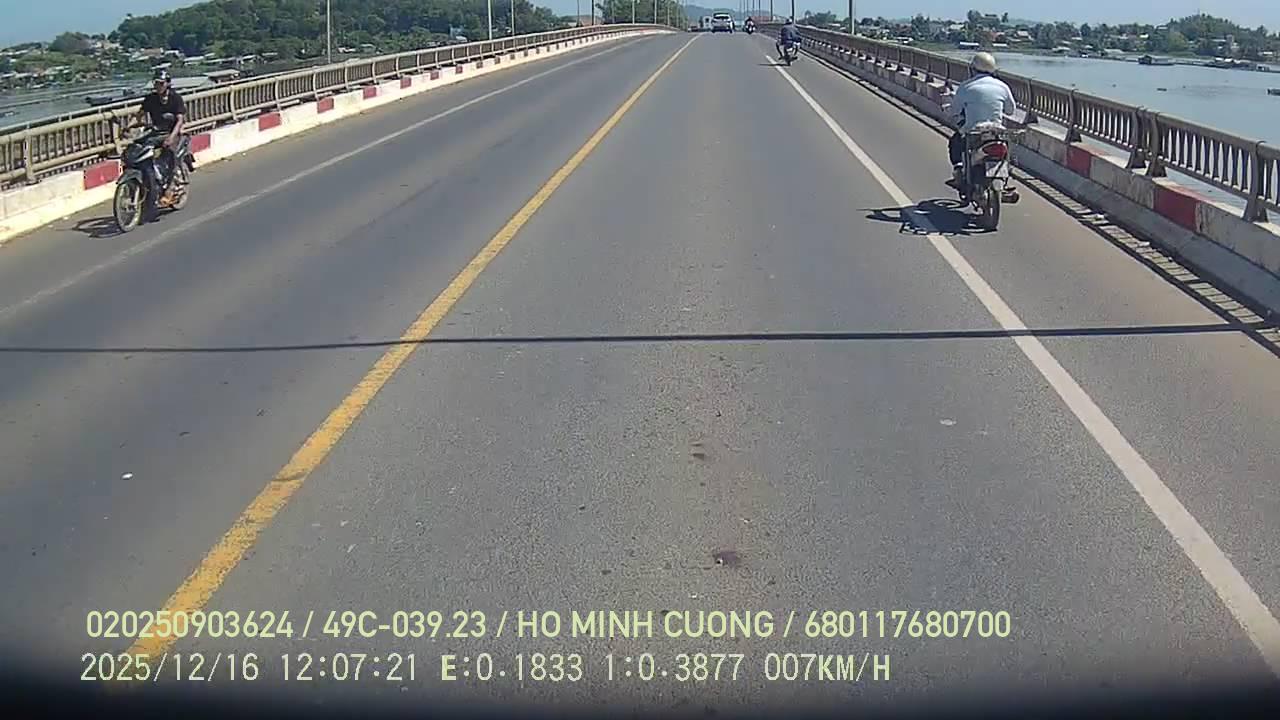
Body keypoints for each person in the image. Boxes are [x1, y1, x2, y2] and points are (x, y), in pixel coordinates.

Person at [946, 52, 1016, 180]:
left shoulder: (966, 86)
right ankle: (1007, 170)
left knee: (955, 142)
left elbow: (955, 110)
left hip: (973, 131)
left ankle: (959, 170)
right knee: (1008, 149)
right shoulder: (1003, 86)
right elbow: (1010, 110)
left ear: (973, 69)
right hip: (996, 131)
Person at [133, 69, 189, 205]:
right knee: (138, 148)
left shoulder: (175, 98)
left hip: (172, 132)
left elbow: (180, 120)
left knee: (170, 154)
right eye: (156, 83)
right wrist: (128, 127)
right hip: (156, 132)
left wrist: (171, 137)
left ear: (167, 83)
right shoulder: (150, 99)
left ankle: (170, 189)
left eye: (161, 83)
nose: (158, 86)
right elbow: (139, 115)